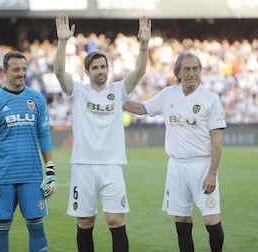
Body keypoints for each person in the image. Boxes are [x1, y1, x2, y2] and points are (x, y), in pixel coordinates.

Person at [54, 13, 151, 252]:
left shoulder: (118, 91)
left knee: (116, 221)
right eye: (95, 67)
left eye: (103, 66)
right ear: (87, 72)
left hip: (112, 166)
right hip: (83, 166)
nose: (100, 70)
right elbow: (58, 72)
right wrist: (63, 41)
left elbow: (138, 72)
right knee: (85, 222)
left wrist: (144, 44)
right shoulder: (78, 91)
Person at [123, 52, 226, 252]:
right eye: (187, 69)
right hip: (176, 167)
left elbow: (217, 139)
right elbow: (142, 108)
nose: (192, 73)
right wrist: (114, 99)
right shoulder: (168, 94)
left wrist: (212, 173)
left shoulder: (210, 100)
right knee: (181, 219)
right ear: (178, 72)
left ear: (200, 71)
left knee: (211, 219)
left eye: (195, 68)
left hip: (202, 166)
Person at [0, 50, 56, 252]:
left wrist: (50, 169)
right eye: (16, 69)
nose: (21, 73)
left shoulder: (37, 99)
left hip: (31, 175)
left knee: (36, 226)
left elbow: (44, 136)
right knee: (1, 228)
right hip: (2, 176)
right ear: (5, 71)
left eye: (24, 69)